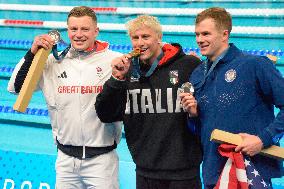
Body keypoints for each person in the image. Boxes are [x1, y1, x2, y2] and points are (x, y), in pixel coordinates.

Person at [7, 6, 123, 189]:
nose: (78, 34)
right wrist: (32, 54)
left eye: (85, 29)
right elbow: (15, 88)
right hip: (65, 162)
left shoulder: (115, 61)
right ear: (67, 31)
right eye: (73, 29)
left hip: (102, 162)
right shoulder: (52, 62)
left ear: (96, 31)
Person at [95, 15, 202, 189]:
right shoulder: (127, 71)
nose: (140, 43)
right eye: (135, 38)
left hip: (184, 173)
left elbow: (207, 106)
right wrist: (116, 79)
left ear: (159, 37)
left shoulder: (188, 64)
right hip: (145, 171)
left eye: (146, 37)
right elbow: (105, 114)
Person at [185, 7, 284, 189]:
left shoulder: (254, 65)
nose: (199, 40)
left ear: (224, 34)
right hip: (213, 171)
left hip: (252, 172)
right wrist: (192, 115)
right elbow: (201, 130)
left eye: (206, 34)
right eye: (197, 34)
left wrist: (263, 139)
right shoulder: (198, 75)